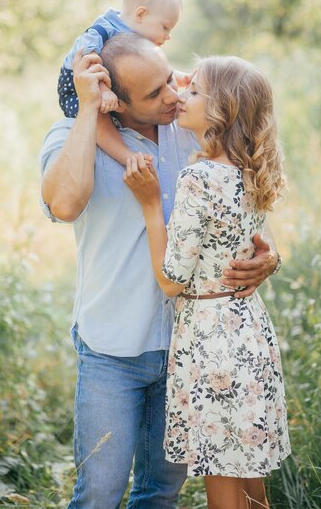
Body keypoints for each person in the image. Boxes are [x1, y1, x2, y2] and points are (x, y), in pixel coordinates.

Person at [39, 34, 281, 509]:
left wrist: (269, 255)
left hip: (188, 350)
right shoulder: (73, 134)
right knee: (99, 495)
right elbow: (64, 204)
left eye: (173, 79)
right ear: (115, 100)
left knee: (160, 494)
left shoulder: (192, 127)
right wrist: (87, 111)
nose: (173, 95)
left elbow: (242, 214)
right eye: (154, 93)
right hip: (114, 349)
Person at [124, 55, 291, 509]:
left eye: (194, 93)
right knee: (251, 482)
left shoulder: (198, 178)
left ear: (223, 111)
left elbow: (172, 280)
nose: (180, 96)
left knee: (223, 484)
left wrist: (150, 204)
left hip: (212, 343)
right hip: (249, 331)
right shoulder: (250, 173)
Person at [57, 0, 187, 167]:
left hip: (106, 82)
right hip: (77, 87)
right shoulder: (102, 31)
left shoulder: (133, 37)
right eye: (165, 27)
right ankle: (125, 156)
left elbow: (149, 72)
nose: (168, 36)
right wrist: (103, 91)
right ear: (141, 14)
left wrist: (183, 78)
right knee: (97, 114)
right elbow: (88, 65)